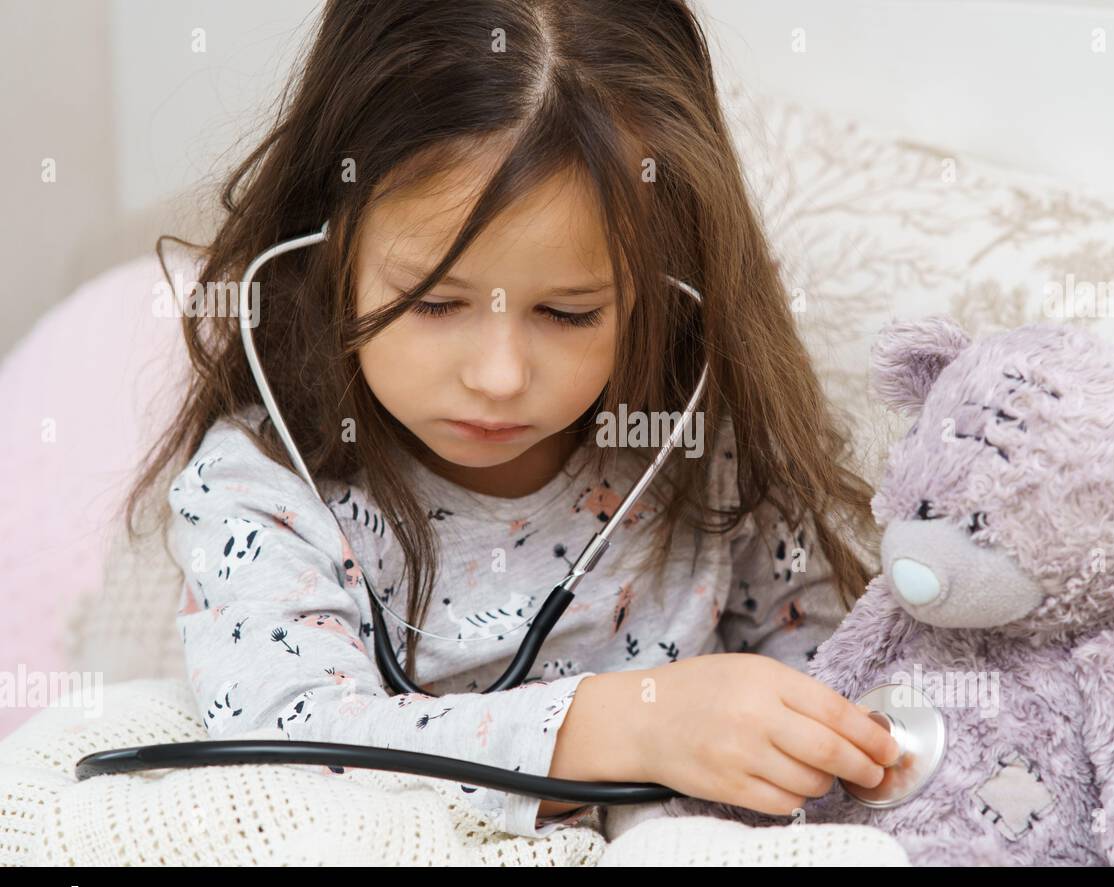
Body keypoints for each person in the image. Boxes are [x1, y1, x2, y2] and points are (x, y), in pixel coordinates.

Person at [123, 0, 899, 842]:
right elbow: (284, 749)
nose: (499, 379)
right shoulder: (260, 490)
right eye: (433, 302)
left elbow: (838, 667)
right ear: (326, 252)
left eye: (568, 313)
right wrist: (630, 725)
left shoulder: (699, 447)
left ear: (656, 289)